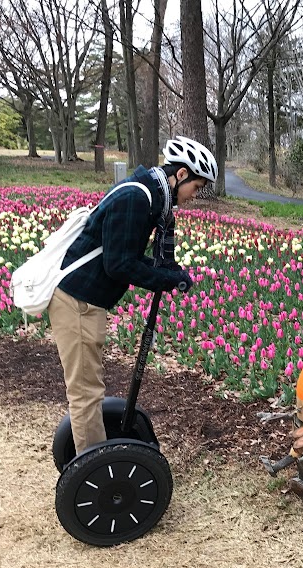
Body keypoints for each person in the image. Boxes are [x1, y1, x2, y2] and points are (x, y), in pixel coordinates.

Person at [48, 136, 218, 454]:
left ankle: (93, 458)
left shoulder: (152, 200)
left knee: (89, 389)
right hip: (76, 302)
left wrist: (169, 273)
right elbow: (119, 264)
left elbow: (132, 257)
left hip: (86, 300)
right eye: (196, 187)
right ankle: (94, 475)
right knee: (85, 393)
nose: (194, 197)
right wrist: (168, 279)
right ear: (181, 175)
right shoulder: (137, 199)